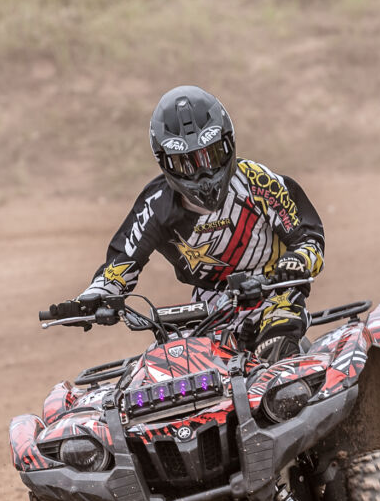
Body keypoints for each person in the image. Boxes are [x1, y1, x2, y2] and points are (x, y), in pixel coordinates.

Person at [78, 85, 325, 362]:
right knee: (176, 366)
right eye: (186, 163)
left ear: (228, 143)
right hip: (209, 310)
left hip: (275, 294)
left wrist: (297, 261)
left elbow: (308, 237)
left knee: (276, 350)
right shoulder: (156, 204)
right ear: (165, 162)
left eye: (211, 156)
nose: (202, 173)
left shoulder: (258, 182)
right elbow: (121, 263)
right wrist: (94, 296)